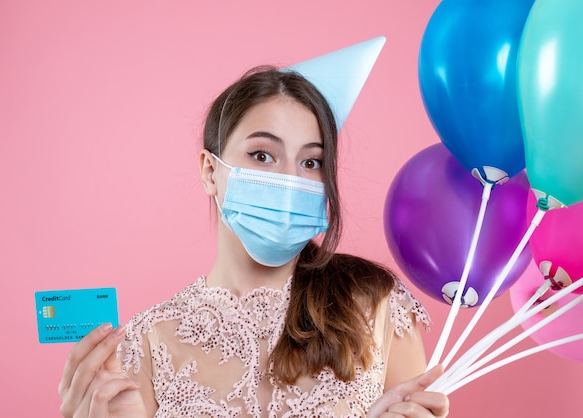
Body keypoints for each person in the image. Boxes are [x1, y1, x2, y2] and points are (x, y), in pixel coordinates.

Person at [58, 66, 450, 417]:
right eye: (262, 155)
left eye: (311, 162)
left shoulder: (376, 306)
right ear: (210, 171)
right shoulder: (145, 343)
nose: (289, 181)